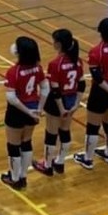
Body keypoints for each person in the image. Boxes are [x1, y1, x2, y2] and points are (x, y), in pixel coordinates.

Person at [75, 18, 108, 170]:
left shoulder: (96, 51)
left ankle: (87, 159)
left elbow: (97, 77)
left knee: (93, 126)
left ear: (100, 32)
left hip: (101, 91)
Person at [35, 29, 84, 176]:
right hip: (71, 99)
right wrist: (76, 103)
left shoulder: (55, 63)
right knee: (65, 130)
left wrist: (61, 108)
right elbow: (81, 84)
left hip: (57, 102)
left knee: (51, 133)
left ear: (59, 44)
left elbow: (55, 90)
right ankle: (60, 162)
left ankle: (47, 165)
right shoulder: (78, 61)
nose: (53, 43)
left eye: (54, 41)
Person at [2, 37, 48, 190]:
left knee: (13, 145)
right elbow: (45, 88)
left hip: (17, 111)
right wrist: (39, 109)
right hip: (33, 107)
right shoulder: (38, 68)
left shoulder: (14, 72)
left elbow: (11, 97)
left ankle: (15, 178)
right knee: (26, 142)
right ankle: (23, 176)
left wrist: (28, 111)